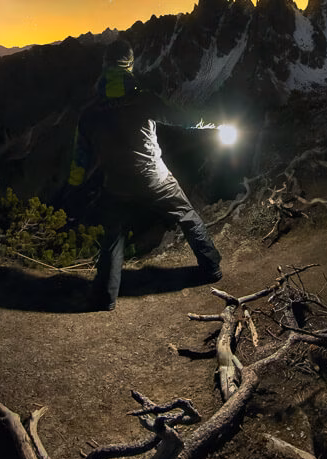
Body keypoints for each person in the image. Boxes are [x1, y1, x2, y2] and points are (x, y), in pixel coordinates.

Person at [69, 39, 223, 311]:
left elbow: (80, 156)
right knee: (186, 215)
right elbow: (182, 118)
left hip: (117, 183)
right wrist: (215, 123)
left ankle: (105, 298)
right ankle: (211, 268)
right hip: (154, 176)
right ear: (129, 64)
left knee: (113, 238)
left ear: (105, 66)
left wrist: (74, 185)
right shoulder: (143, 98)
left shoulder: (89, 112)